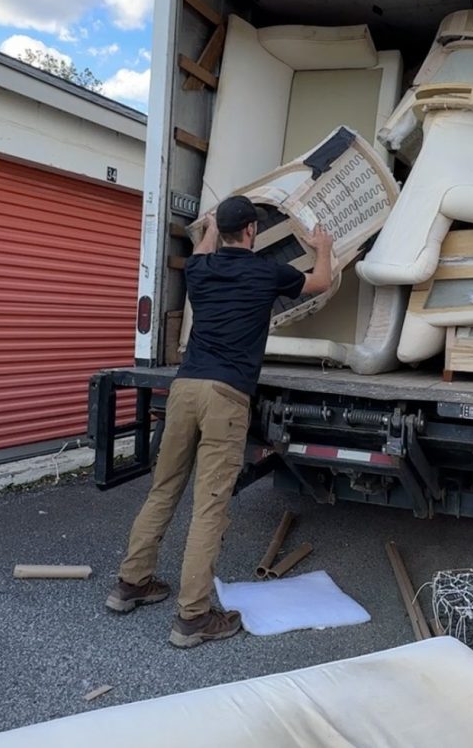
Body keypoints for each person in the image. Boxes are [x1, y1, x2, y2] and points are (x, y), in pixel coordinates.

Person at [107, 194, 334, 648]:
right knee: (209, 506)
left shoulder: (199, 270)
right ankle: (192, 618)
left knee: (163, 489)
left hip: (185, 388)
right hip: (226, 396)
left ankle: (131, 583)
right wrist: (322, 245)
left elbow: (206, 249)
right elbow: (322, 281)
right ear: (251, 231)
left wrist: (208, 224)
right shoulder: (267, 272)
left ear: (221, 232)